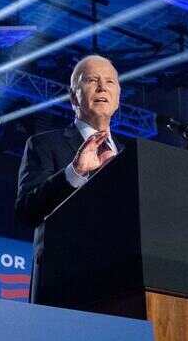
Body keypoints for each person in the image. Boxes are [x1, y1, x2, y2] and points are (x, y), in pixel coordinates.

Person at [15, 56, 126, 296]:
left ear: (118, 97)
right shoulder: (44, 144)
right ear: (73, 96)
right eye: (91, 80)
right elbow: (26, 211)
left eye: (109, 82)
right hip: (66, 280)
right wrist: (75, 172)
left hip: (125, 281)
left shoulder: (130, 155)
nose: (101, 87)